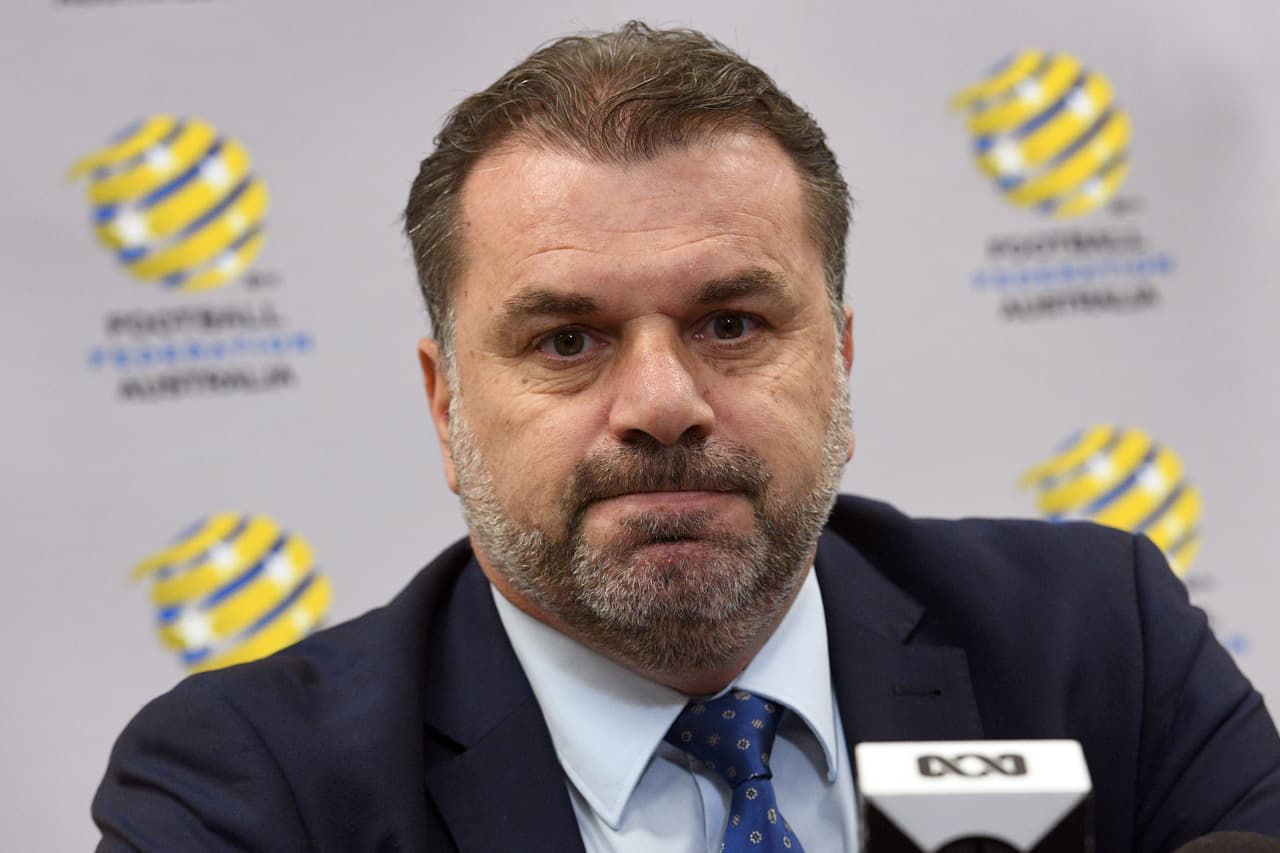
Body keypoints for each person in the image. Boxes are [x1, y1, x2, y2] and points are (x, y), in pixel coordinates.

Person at [93, 21, 1280, 852]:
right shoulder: (250, 786)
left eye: (729, 322)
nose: (662, 401)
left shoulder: (1092, 640)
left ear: (841, 361)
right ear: (446, 406)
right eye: (567, 339)